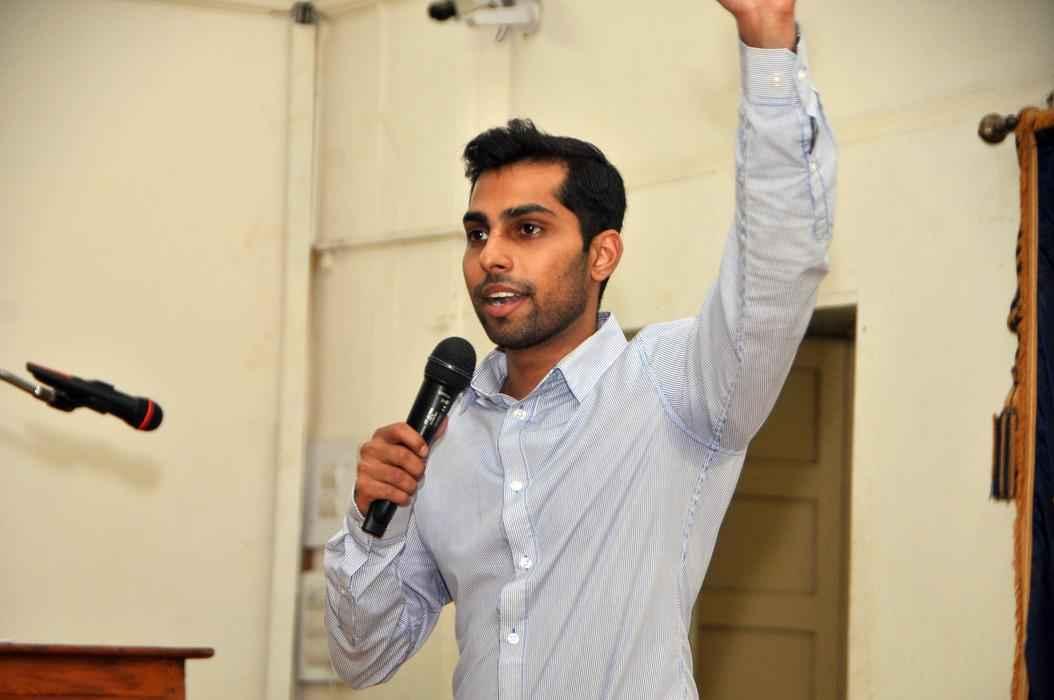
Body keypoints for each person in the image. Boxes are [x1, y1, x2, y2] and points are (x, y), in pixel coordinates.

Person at [325, 0, 836, 696]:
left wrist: (769, 45)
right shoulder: (444, 435)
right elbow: (362, 658)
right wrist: (371, 525)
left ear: (603, 255)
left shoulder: (674, 387)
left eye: (527, 229)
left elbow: (775, 266)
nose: (490, 256)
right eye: (478, 233)